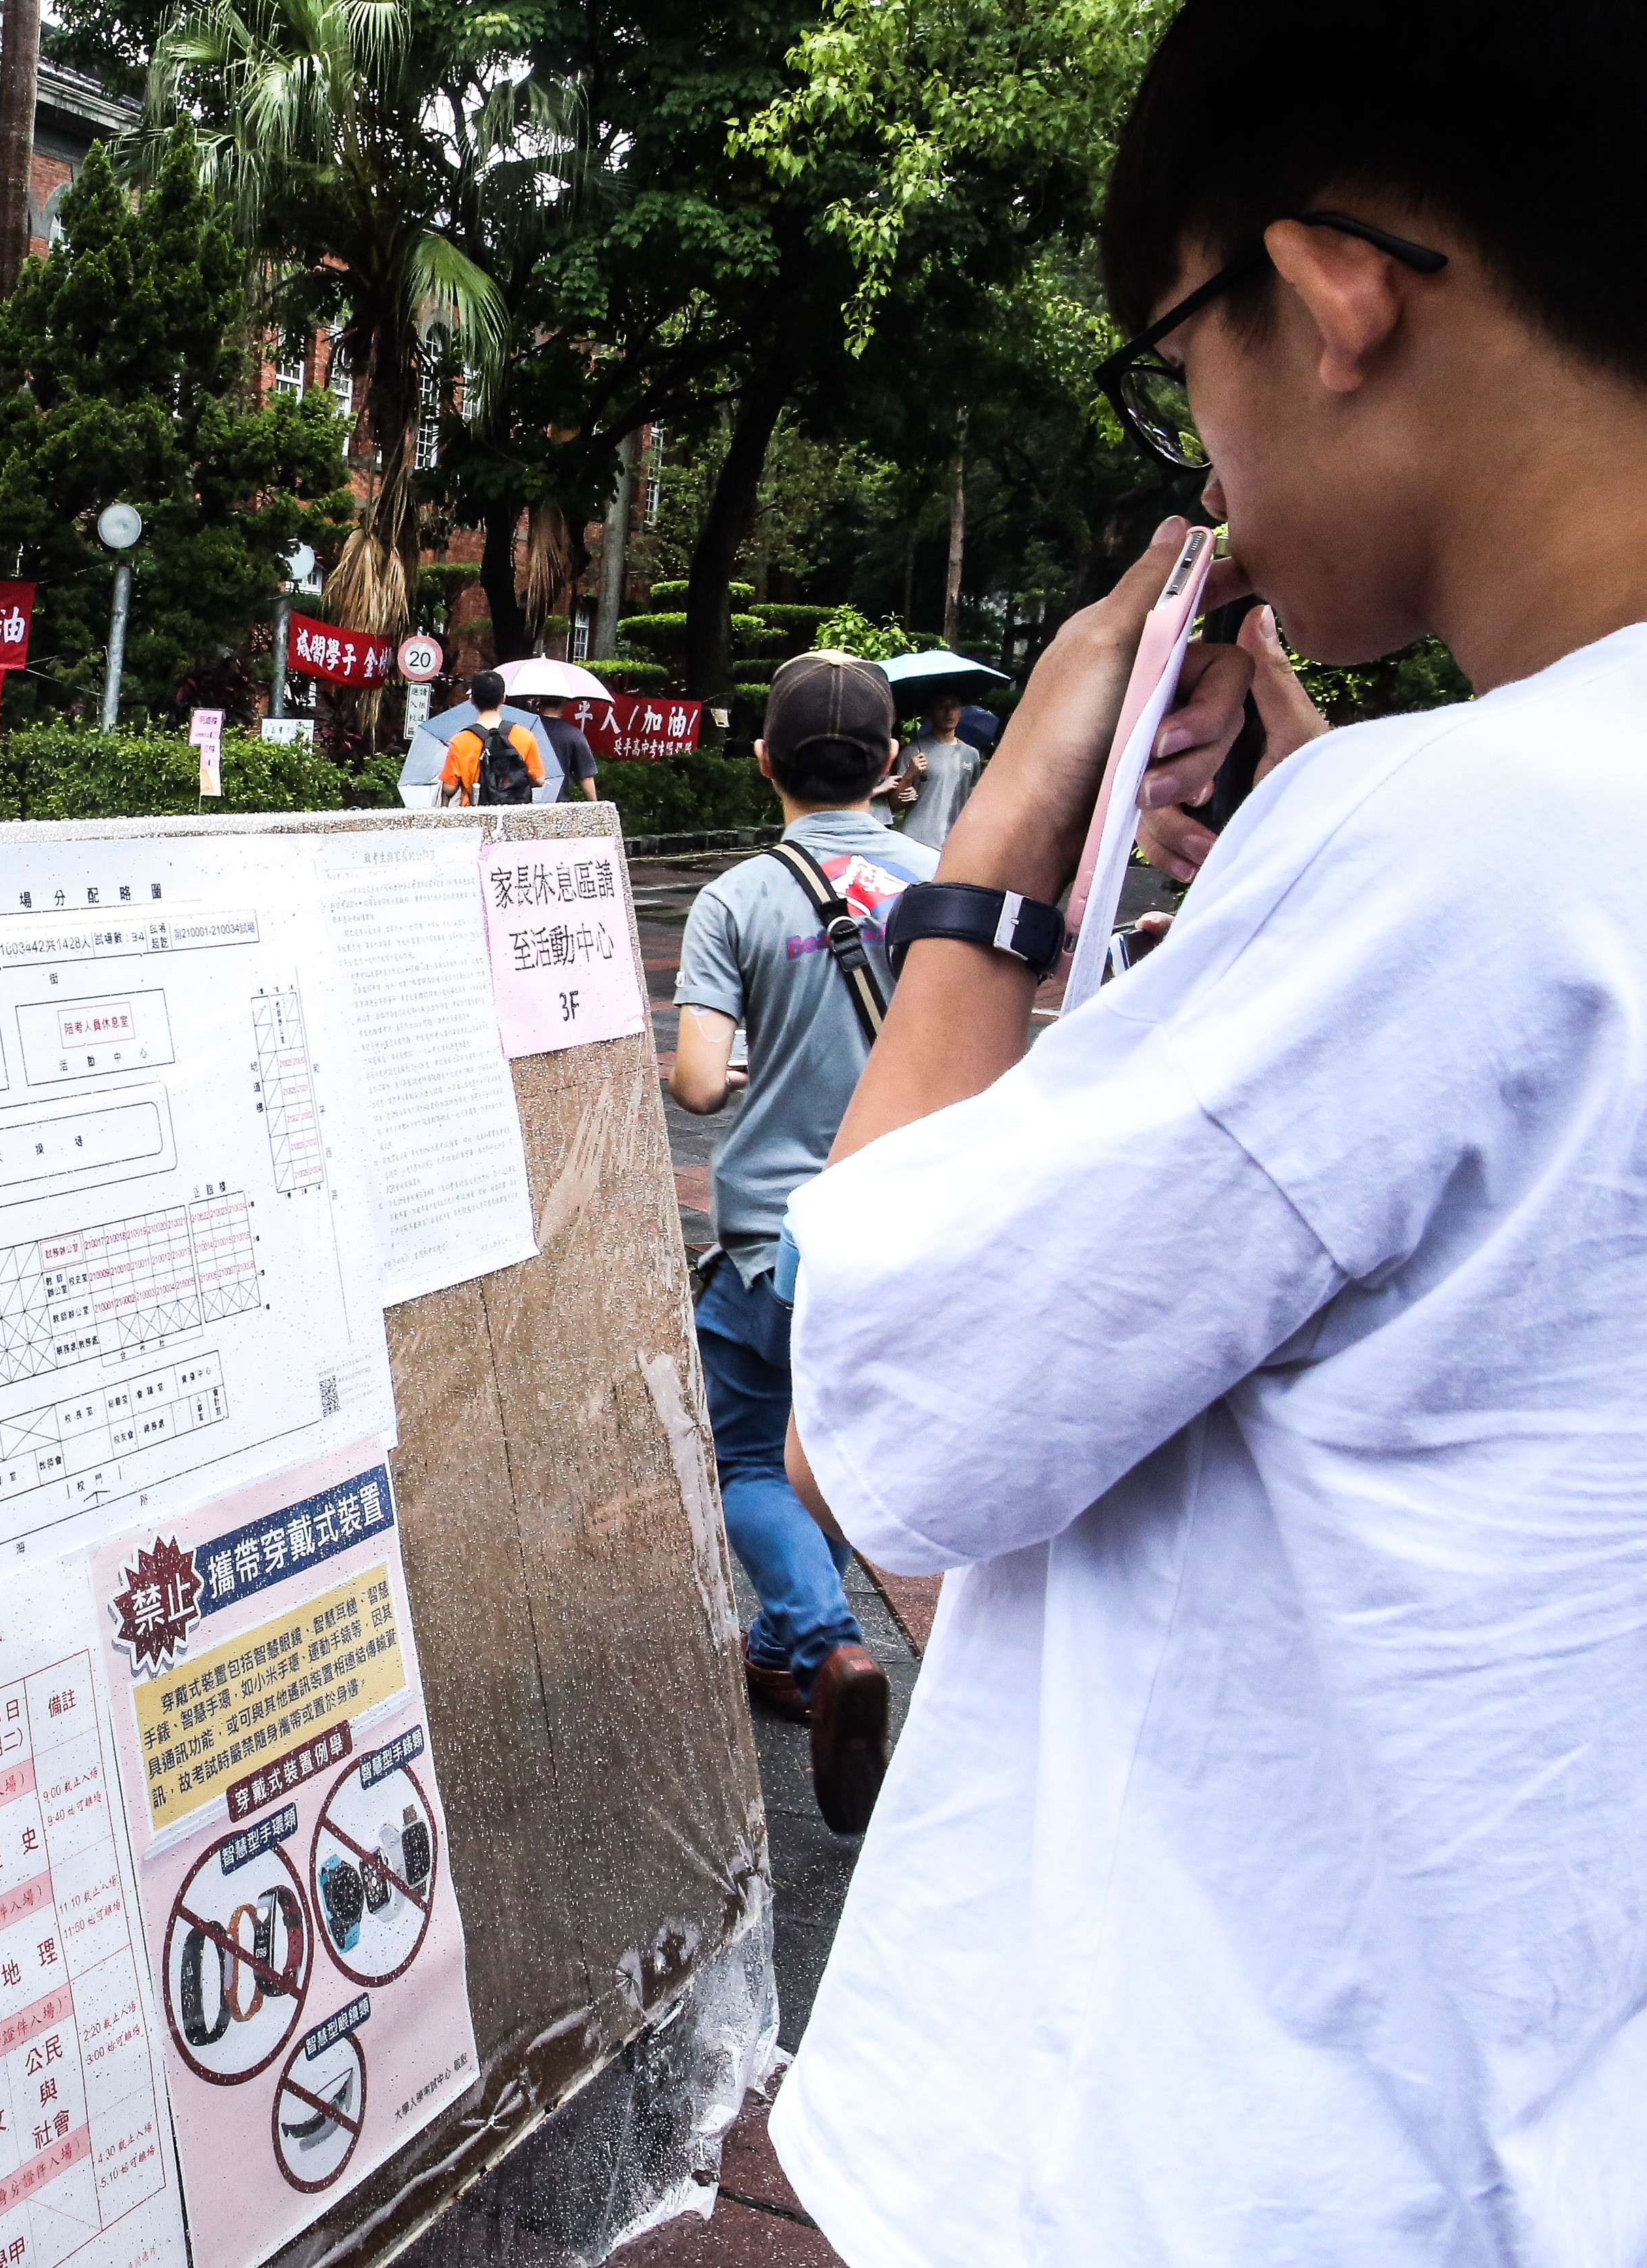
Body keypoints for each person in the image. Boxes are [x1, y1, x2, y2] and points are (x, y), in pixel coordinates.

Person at [770, 4, 1647, 2258]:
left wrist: (1018, 823)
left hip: (1250, 2159)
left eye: (1184, 360)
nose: (1209, 450)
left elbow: (883, 1413)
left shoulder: (1451, 850)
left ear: (1334, 292)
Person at [663, 651, 935, 1834]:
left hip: (777, 1237)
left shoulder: (736, 899)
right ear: (892, 766)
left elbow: (697, 1079)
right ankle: (784, 1645)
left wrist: (739, 1078)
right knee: (822, 1437)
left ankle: (829, 1645)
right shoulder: (943, 885)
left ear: (762, 758)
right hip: (908, 1235)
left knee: (751, 1463)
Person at [434, 671, 542, 806]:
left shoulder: (460, 741)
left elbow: (449, 788)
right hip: (512, 816)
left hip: (475, 815)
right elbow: (539, 780)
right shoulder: (525, 736)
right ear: (503, 698)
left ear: (472, 700)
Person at [894, 696, 978, 849]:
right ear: (930, 713)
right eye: (942, 707)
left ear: (961, 712)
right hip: (917, 840)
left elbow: (972, 798)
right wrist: (910, 774)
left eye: (954, 707)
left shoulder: (971, 754)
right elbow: (894, 805)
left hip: (954, 842)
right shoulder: (913, 751)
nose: (949, 713)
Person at [520, 693, 600, 800]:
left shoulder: (523, 730)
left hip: (523, 801)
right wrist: (595, 805)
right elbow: (586, 777)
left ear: (540, 702)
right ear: (564, 703)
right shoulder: (573, 734)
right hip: (558, 802)